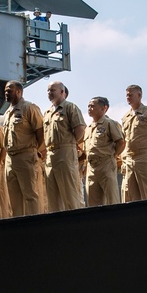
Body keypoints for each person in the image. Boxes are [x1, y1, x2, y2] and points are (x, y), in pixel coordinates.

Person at [3, 80, 45, 216]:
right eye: (5, 90)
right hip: (11, 158)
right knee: (14, 198)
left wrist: (34, 151)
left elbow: (41, 133)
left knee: (31, 195)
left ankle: (36, 228)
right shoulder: (7, 112)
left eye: (9, 90)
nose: (6, 93)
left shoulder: (29, 108)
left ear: (19, 92)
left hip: (26, 156)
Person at [43, 81, 86, 212]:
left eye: (53, 90)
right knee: (53, 197)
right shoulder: (47, 112)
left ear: (62, 92)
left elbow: (80, 129)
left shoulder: (70, 107)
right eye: (48, 91)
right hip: (50, 155)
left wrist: (69, 143)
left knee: (70, 194)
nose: (50, 93)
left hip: (65, 152)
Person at [120, 84, 147, 202]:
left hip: (144, 155)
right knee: (132, 194)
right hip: (130, 157)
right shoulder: (126, 117)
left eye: (131, 95)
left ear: (139, 95)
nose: (128, 97)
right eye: (127, 95)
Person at [83, 96, 125, 206]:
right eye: (88, 106)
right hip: (91, 167)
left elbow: (120, 142)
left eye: (93, 106)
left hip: (105, 164)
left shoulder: (109, 123)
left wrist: (114, 155)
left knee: (111, 199)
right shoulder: (88, 128)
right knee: (93, 201)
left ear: (103, 108)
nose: (89, 108)